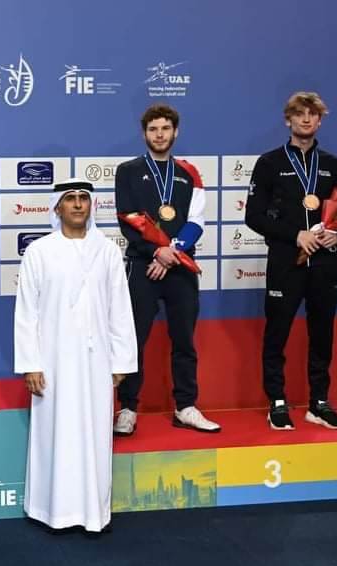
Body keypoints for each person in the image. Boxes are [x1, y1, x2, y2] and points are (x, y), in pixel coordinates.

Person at [15, 179, 137, 533]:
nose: (78, 204)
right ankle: (50, 510)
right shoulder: (39, 251)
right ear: (58, 207)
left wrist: (121, 361)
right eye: (70, 199)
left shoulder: (107, 251)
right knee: (54, 435)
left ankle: (93, 514)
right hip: (52, 362)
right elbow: (27, 312)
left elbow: (119, 309)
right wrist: (30, 364)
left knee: (95, 437)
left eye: (84, 198)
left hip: (97, 361)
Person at [114, 103, 221, 435]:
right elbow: (127, 218)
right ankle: (127, 408)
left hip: (180, 266)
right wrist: (155, 252)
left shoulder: (190, 172)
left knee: (184, 341)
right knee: (134, 340)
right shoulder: (128, 171)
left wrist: (171, 251)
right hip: (142, 266)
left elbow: (196, 221)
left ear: (176, 132)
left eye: (165, 128)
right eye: (153, 129)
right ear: (144, 133)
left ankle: (185, 406)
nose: (159, 135)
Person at [245, 92, 337, 430]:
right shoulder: (269, 163)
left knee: (322, 333)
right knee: (277, 332)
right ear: (288, 119)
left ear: (320, 121)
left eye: (312, 114)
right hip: (285, 262)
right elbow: (253, 216)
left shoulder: (332, 164)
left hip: (325, 263)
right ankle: (276, 400)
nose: (306, 119)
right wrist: (295, 235)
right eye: (299, 114)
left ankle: (319, 402)